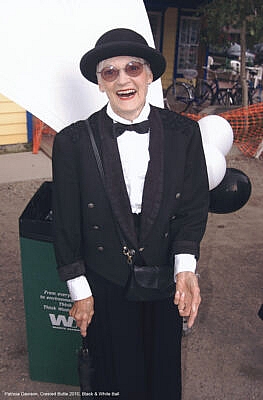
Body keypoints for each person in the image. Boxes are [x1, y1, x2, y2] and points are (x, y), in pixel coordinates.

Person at [52, 28, 209, 400]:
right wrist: (79, 290)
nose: (123, 78)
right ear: (100, 83)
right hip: (105, 273)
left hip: (163, 266)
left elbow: (191, 205)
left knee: (162, 370)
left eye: (133, 67)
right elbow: (66, 221)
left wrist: (185, 268)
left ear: (150, 76)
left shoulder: (184, 133)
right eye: (111, 72)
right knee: (115, 374)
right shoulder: (72, 141)